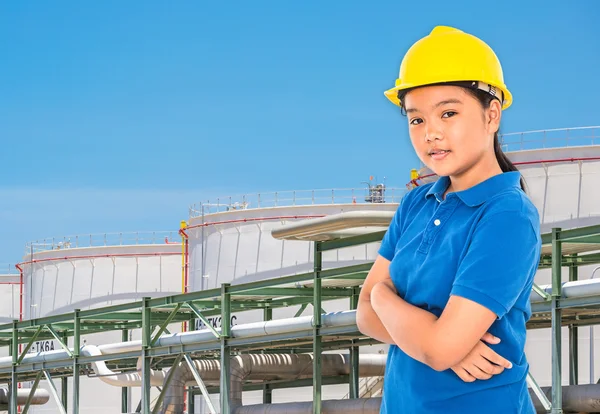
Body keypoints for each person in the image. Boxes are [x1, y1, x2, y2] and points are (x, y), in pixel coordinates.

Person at [356, 26, 542, 413]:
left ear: (492, 114)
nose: (431, 133)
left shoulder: (507, 215)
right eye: (416, 120)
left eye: (449, 113)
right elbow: (365, 319)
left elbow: (437, 348)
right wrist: (431, 341)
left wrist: (381, 295)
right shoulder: (416, 204)